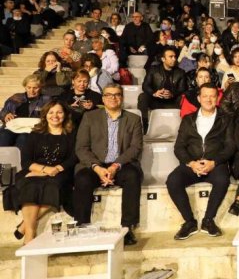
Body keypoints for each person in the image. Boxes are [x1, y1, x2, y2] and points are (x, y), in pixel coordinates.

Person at [73, 84, 143, 246]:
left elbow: (135, 148)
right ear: (103, 98)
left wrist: (115, 166)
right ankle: (82, 226)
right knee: (82, 179)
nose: (113, 97)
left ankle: (127, 228)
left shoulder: (133, 119)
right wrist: (97, 168)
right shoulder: (89, 117)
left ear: (122, 98)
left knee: (133, 176)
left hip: (121, 165)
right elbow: (81, 147)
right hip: (95, 165)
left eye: (117, 94)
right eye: (109, 95)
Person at [168, 83, 235, 240]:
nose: (208, 99)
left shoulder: (226, 119)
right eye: (205, 96)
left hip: (215, 164)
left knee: (222, 180)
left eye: (212, 96)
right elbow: (179, 147)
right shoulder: (188, 119)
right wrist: (191, 163)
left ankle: (208, 220)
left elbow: (230, 147)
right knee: (173, 181)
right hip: (192, 164)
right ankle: (189, 222)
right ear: (199, 98)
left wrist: (214, 162)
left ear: (217, 98)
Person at [12, 102, 75, 244]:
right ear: (45, 115)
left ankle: (25, 226)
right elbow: (26, 161)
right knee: (30, 185)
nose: (55, 116)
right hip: (36, 170)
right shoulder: (35, 134)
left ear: (65, 115)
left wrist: (56, 169)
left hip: (61, 171)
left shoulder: (71, 134)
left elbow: (73, 158)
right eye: (51, 112)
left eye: (59, 112)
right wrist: (44, 170)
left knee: (53, 186)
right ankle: (30, 233)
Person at [138, 46, 187, 131]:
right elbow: (145, 85)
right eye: (171, 57)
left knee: (184, 98)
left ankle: (184, 129)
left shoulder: (180, 72)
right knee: (143, 96)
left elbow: (182, 89)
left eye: (175, 56)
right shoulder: (153, 70)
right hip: (156, 100)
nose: (174, 59)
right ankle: (144, 126)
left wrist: (172, 94)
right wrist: (154, 93)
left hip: (172, 101)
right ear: (163, 59)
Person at [0, 74, 51, 148]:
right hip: (12, 126)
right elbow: (3, 111)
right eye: (29, 87)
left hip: (31, 128)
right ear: (25, 87)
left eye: (35, 88)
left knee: (23, 138)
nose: (31, 91)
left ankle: (20, 156)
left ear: (41, 87)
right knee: (3, 136)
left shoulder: (46, 100)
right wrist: (5, 115)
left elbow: (51, 115)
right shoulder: (16, 97)